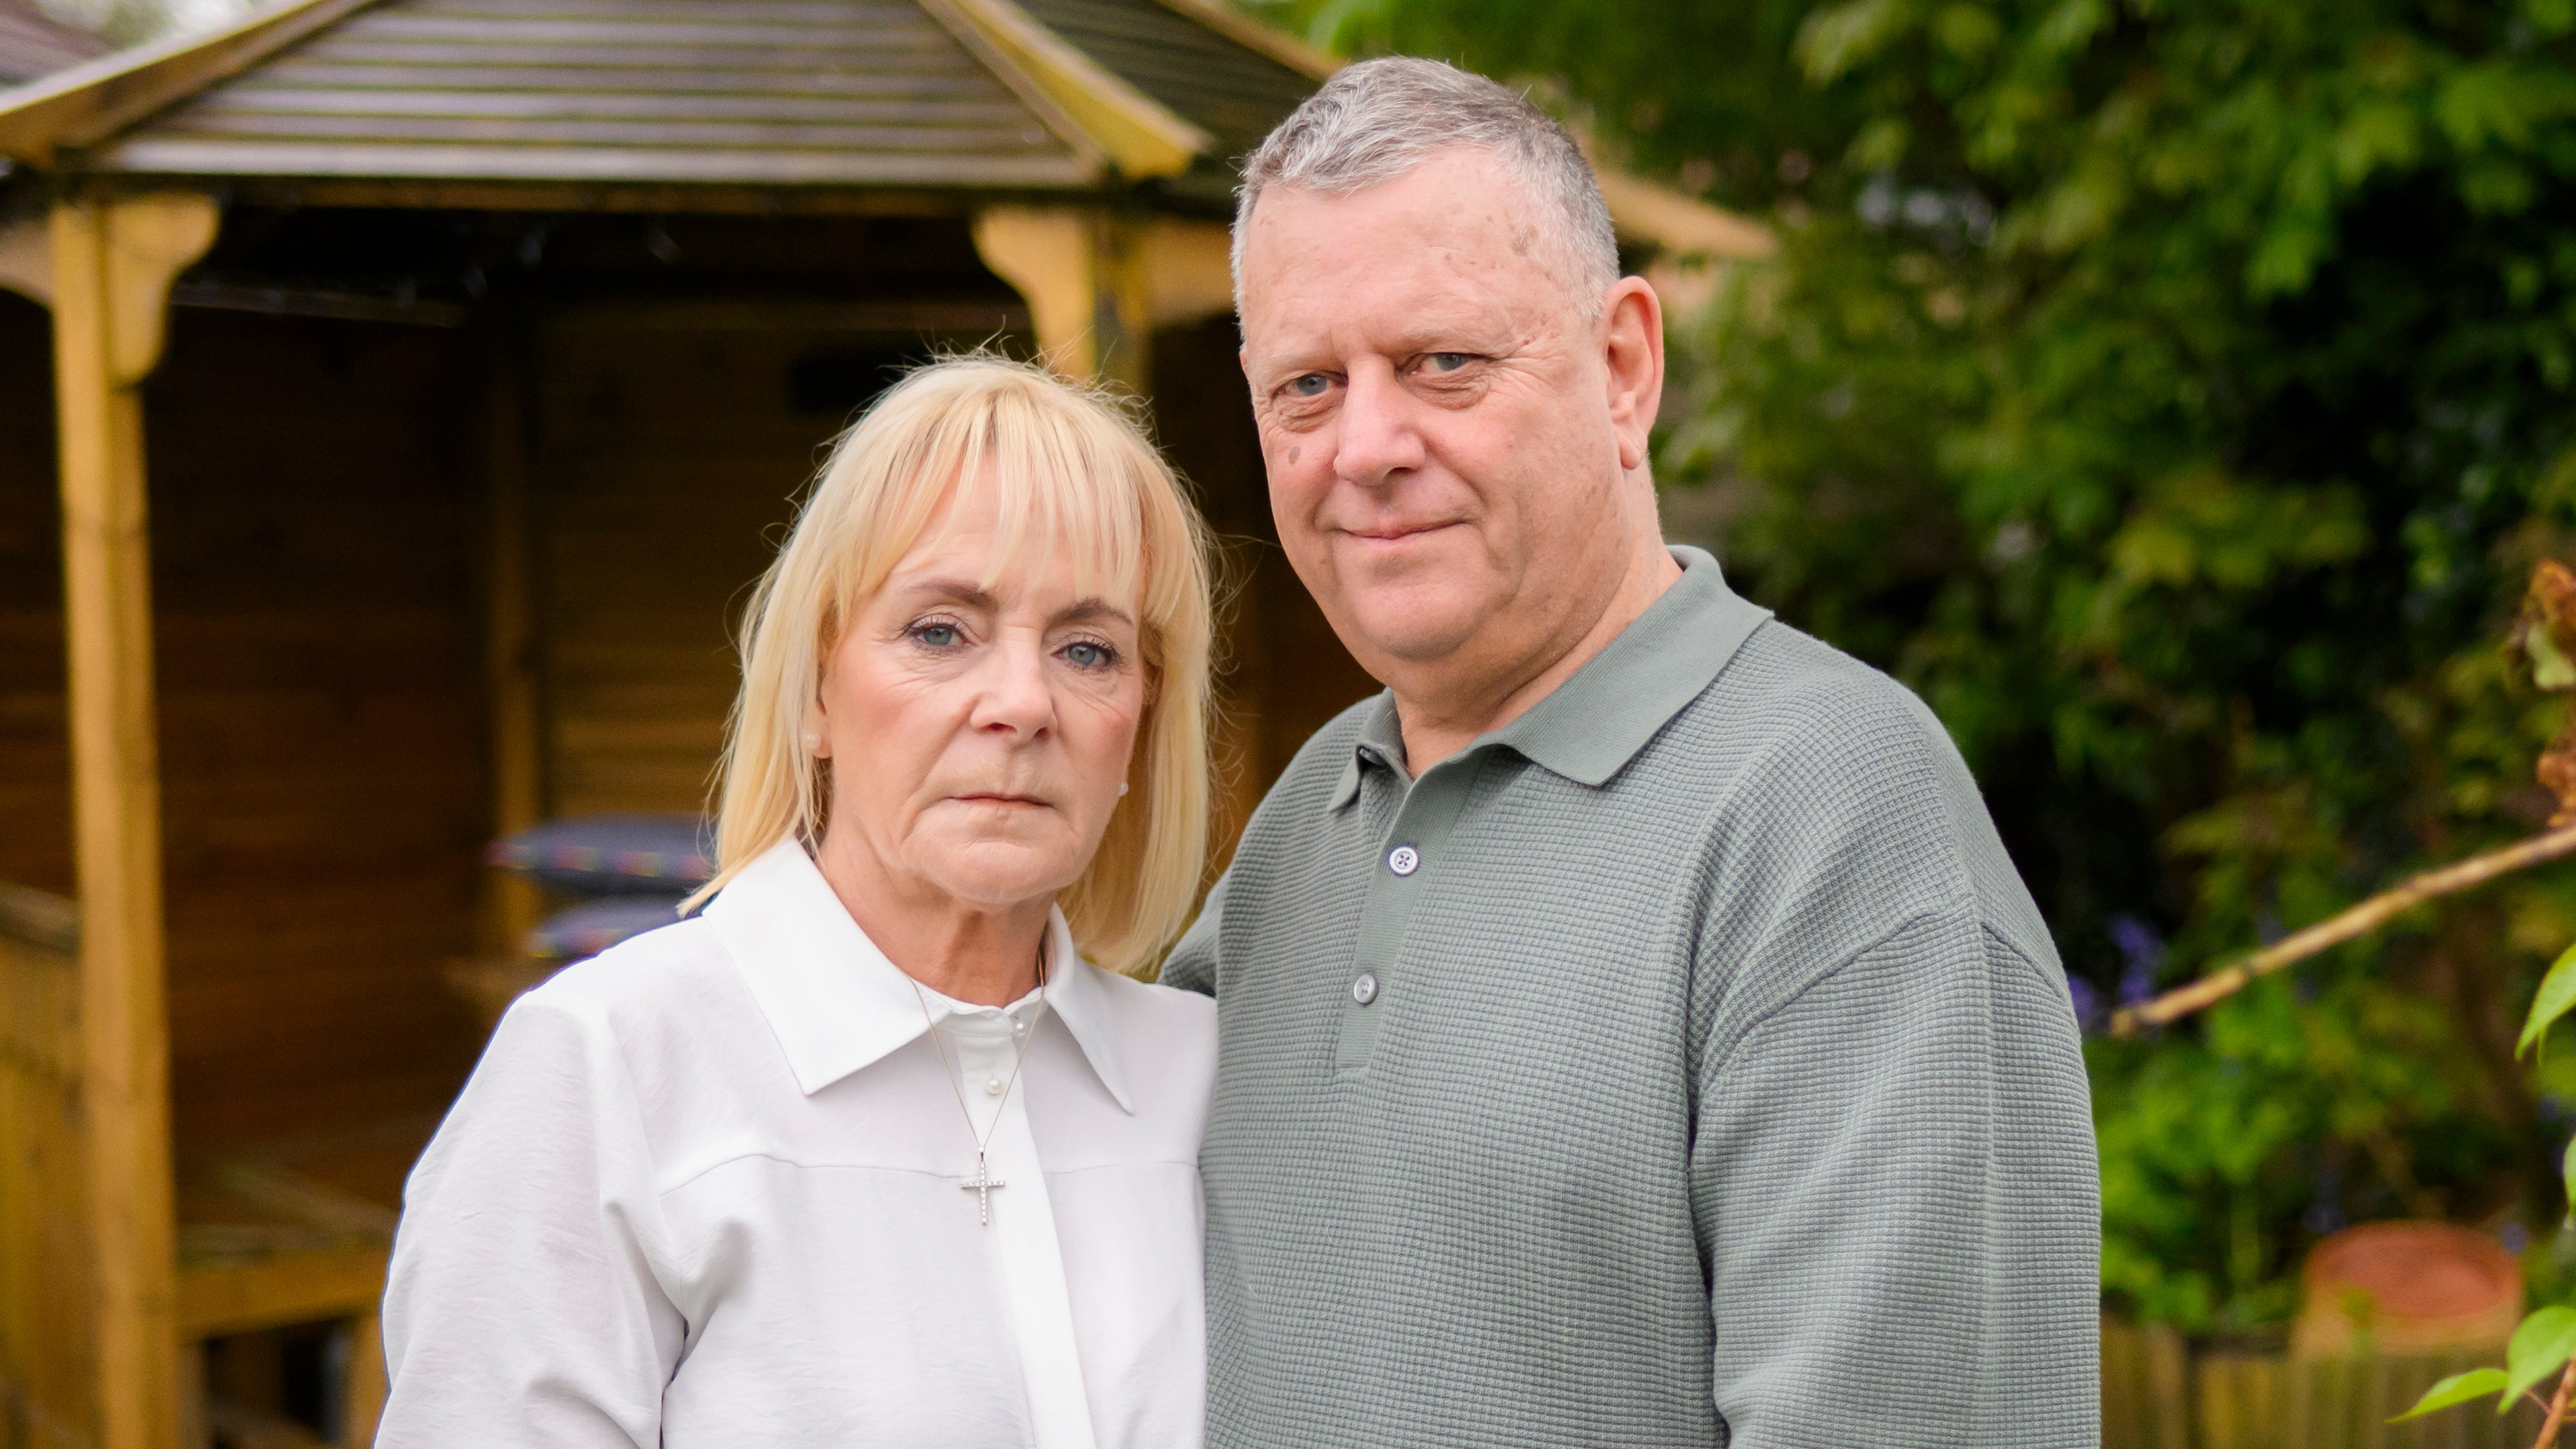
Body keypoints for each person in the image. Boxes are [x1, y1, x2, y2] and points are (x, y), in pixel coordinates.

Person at [1160, 57, 2101, 1447]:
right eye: (1306, 385)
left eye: (1443, 365)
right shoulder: (1309, 822)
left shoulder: (1829, 813)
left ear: (1621, 369)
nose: (1364, 446)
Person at [377, 357, 1219, 1448]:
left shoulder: (1194, 1080)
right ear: (817, 690)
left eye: (1088, 650)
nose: (1021, 702)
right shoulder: (611, 1067)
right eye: (940, 630)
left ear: (1138, 730)